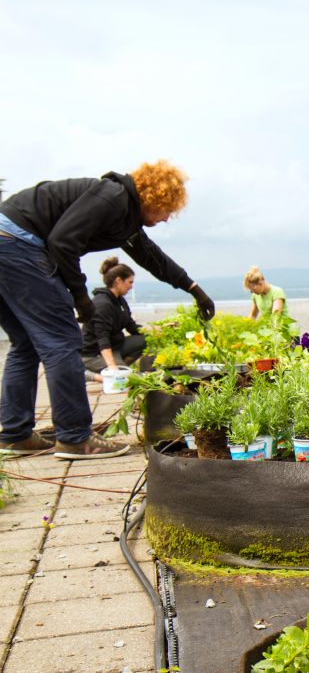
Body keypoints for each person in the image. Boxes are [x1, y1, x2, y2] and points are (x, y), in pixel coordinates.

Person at [0, 160, 215, 459]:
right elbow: (62, 243)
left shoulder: (123, 215)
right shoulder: (112, 198)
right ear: (155, 198)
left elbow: (152, 257)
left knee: (25, 343)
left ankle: (14, 434)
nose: (167, 219)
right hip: (16, 243)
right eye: (167, 210)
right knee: (62, 342)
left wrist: (193, 289)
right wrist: (80, 298)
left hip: (7, 241)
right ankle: (75, 437)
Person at [80, 257, 146, 381]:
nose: (131, 287)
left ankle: (120, 367)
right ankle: (96, 373)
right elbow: (102, 338)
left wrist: (155, 331)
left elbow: (131, 327)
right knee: (129, 378)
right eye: (130, 282)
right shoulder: (102, 305)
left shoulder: (119, 300)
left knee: (144, 340)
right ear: (118, 281)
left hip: (115, 347)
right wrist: (112, 366)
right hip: (93, 354)